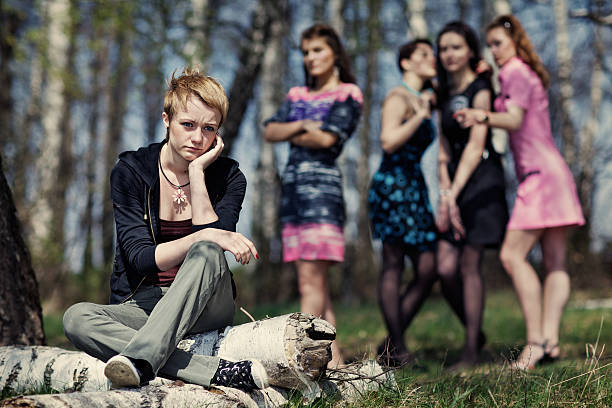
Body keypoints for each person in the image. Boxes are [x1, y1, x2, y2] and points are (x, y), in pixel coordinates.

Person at [63, 67, 269, 390]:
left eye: (209, 128)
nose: (198, 138)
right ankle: (211, 371)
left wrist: (198, 172)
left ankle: (142, 360)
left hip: (206, 302)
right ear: (166, 120)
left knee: (206, 250)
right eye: (188, 125)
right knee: (76, 318)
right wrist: (206, 234)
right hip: (145, 303)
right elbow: (141, 258)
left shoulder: (230, 179)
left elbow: (213, 250)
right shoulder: (131, 172)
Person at [454, 15, 584, 370]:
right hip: (553, 173)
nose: (493, 50)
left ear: (514, 41)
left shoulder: (514, 72)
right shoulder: (524, 72)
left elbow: (512, 119)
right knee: (555, 261)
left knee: (512, 255)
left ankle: (534, 344)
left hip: (541, 177)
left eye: (497, 42)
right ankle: (551, 342)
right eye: (490, 44)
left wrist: (480, 115)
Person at [264, 23, 362, 368]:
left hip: (323, 196)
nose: (310, 58)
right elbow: (269, 129)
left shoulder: (348, 94)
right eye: (305, 52)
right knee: (316, 281)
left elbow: (328, 139)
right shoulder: (296, 95)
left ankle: (299, 359)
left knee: (310, 280)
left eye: (317, 50)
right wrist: (304, 127)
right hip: (293, 197)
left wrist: (296, 131)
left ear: (335, 52)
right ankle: (334, 362)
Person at [435, 21, 508, 367]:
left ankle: (470, 352)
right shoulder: (442, 94)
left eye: (456, 47)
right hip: (454, 184)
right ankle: (475, 332)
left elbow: (476, 143)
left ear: (470, 51)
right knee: (445, 266)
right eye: (444, 48)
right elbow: (444, 149)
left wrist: (453, 196)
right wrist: (445, 193)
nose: (449, 54)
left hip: (481, 182)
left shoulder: (481, 88)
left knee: (469, 264)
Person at [367, 39, 439, 366]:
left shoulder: (425, 97)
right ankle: (397, 348)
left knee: (427, 269)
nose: (432, 59)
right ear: (406, 62)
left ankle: (390, 344)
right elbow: (388, 140)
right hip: (393, 186)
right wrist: (420, 115)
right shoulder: (397, 96)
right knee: (394, 264)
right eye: (423, 54)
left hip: (415, 188)